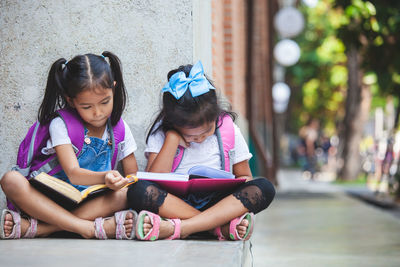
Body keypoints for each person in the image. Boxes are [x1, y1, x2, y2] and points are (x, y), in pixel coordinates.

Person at [127, 61, 275, 241]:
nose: (199, 138)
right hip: (174, 203)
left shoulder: (228, 129)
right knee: (137, 190)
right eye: (191, 136)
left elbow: (246, 176)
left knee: (264, 188)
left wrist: (232, 183)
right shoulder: (162, 133)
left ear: (215, 116)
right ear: (173, 123)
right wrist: (172, 139)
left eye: (206, 131)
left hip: (218, 204)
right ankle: (216, 227)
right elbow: (153, 177)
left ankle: (179, 228)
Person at [0, 52, 138, 239]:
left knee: (125, 195)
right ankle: (90, 228)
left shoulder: (120, 128)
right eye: (87, 107)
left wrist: (122, 182)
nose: (97, 112)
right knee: (11, 180)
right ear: (71, 100)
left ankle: (42, 229)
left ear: (113, 89)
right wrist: (105, 176)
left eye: (105, 102)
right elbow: (73, 173)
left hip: (91, 203)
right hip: (49, 201)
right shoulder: (62, 124)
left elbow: (133, 176)